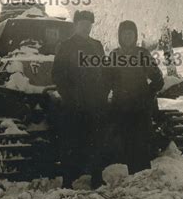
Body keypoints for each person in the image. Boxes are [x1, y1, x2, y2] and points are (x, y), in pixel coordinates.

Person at [52, 10, 109, 189]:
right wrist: (70, 95)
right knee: (70, 142)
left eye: (89, 24)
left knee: (96, 141)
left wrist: (103, 93)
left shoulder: (97, 45)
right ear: (76, 25)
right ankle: (67, 181)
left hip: (95, 102)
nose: (86, 27)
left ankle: (96, 178)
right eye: (83, 24)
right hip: (74, 103)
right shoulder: (66, 45)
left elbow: (105, 71)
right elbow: (57, 74)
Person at [108, 20, 164, 175]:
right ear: (120, 36)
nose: (127, 37)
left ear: (135, 36)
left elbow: (158, 79)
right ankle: (131, 182)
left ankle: (143, 179)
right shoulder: (114, 55)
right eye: (124, 34)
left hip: (140, 109)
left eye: (130, 34)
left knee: (141, 146)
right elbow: (107, 79)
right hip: (120, 107)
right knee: (124, 145)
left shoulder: (142, 54)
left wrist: (147, 94)